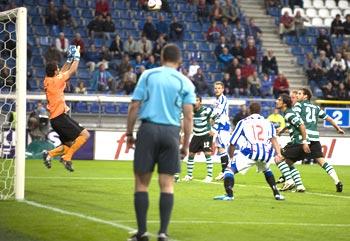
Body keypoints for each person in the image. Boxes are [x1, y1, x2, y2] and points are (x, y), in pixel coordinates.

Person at [126, 44, 196, 241]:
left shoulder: (148, 75)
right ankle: (163, 233)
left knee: (141, 183)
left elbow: (134, 106)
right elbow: (189, 117)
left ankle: (142, 233)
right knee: (167, 185)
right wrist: (185, 144)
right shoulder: (185, 82)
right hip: (171, 132)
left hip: (148, 130)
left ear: (162, 56)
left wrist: (129, 133)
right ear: (179, 60)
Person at [213, 103, 285, 201]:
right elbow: (273, 140)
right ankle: (277, 194)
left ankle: (229, 195)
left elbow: (233, 142)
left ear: (249, 110)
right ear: (259, 111)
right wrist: (279, 153)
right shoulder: (268, 123)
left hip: (251, 152)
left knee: (229, 170)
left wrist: (231, 157)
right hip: (265, 153)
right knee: (266, 170)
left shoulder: (243, 122)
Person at [42, 45, 90, 172]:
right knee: (85, 135)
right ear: (55, 72)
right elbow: (72, 71)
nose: (59, 70)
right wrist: (77, 56)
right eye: (57, 69)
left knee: (68, 144)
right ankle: (66, 158)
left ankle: (50, 154)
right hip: (60, 117)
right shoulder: (55, 81)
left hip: (55, 119)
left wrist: (68, 60)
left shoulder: (48, 80)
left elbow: (61, 72)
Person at [294, 88, 344, 192]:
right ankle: (337, 181)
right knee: (322, 161)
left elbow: (295, 119)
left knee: (286, 159)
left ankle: (290, 181)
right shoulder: (316, 107)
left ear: (306, 96)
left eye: (299, 94)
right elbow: (329, 118)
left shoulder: (299, 105)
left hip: (304, 137)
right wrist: (338, 128)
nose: (297, 95)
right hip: (315, 138)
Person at [275, 94, 310, 192]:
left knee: (278, 158)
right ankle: (300, 186)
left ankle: (289, 181)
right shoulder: (288, 113)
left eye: (279, 99)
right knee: (289, 162)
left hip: (298, 143)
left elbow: (302, 126)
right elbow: (293, 124)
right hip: (299, 143)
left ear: (284, 103)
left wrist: (304, 142)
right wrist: (282, 130)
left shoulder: (289, 114)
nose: (277, 101)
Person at [182, 95, 215, 183]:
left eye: (197, 100)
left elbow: (215, 117)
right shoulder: (190, 111)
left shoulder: (206, 110)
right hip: (196, 135)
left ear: (200, 102)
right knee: (191, 154)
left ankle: (209, 176)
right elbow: (183, 119)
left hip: (206, 134)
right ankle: (189, 175)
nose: (195, 102)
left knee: (207, 154)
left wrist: (213, 129)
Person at [212, 81, 231, 181]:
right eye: (215, 88)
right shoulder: (217, 100)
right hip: (219, 126)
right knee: (220, 148)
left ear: (223, 89)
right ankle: (225, 171)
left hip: (223, 126)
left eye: (219, 88)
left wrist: (210, 118)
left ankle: (225, 171)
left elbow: (217, 112)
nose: (217, 90)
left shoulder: (223, 99)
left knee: (222, 148)